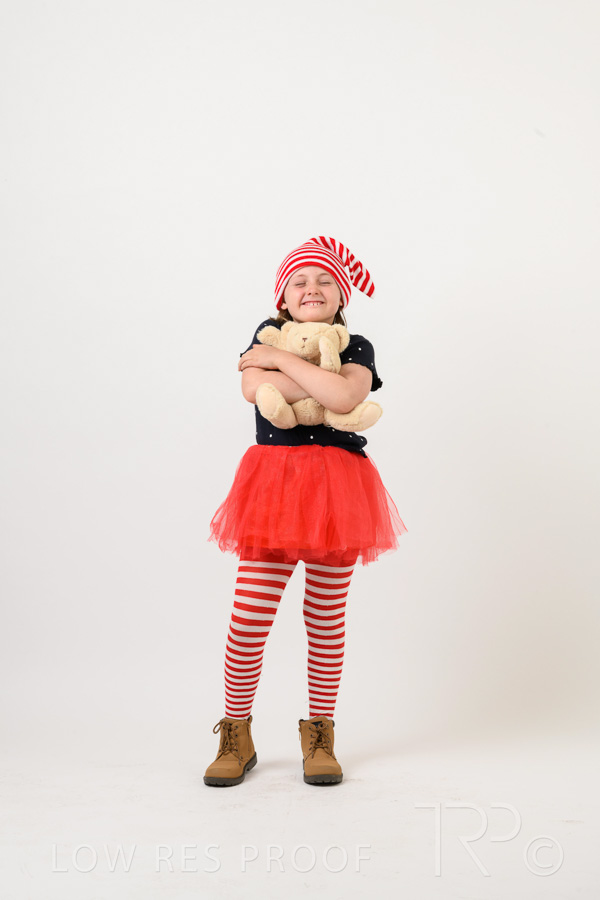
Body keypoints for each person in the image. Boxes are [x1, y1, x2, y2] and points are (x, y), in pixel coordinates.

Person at [204, 236, 408, 787]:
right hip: (273, 489)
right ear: (283, 299)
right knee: (249, 616)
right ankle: (236, 731)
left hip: (338, 492)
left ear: (341, 298)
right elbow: (254, 386)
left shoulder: (356, 345)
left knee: (324, 617)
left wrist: (279, 363)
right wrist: (287, 367)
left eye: (324, 281)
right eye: (299, 281)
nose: (311, 288)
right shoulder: (264, 335)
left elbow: (343, 399)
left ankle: (319, 732)